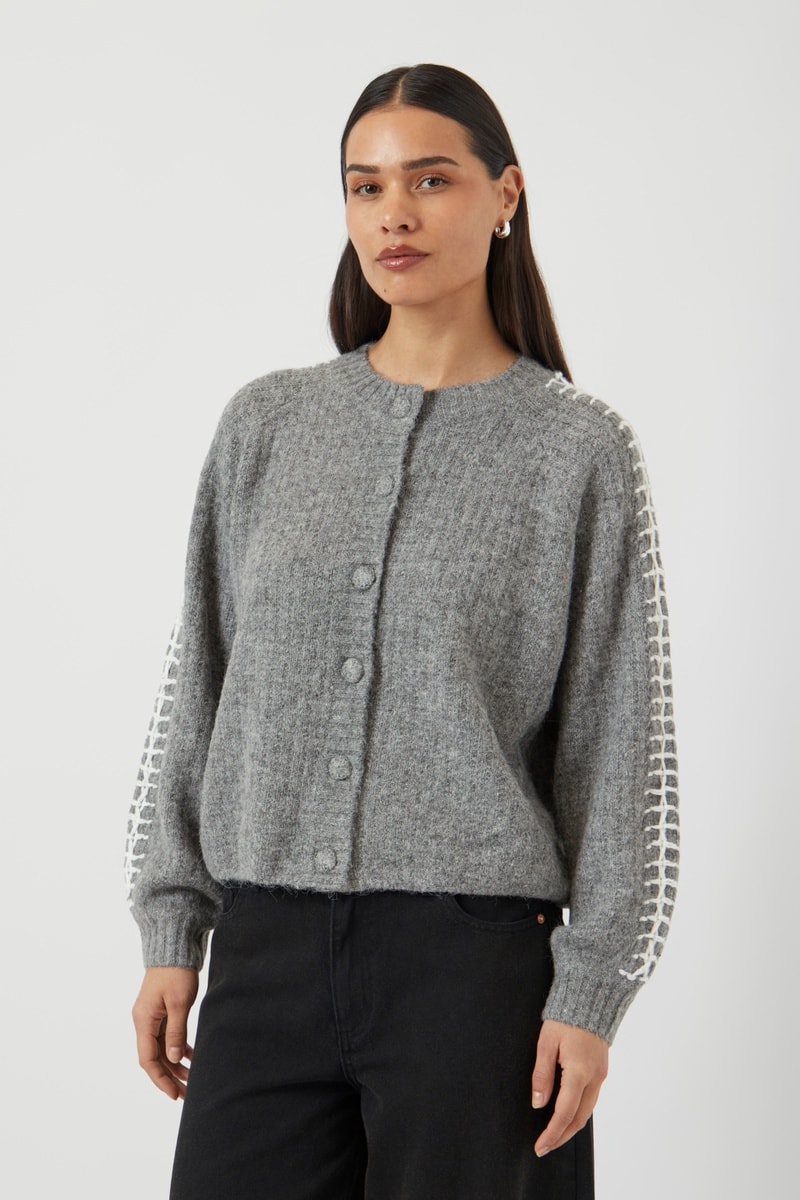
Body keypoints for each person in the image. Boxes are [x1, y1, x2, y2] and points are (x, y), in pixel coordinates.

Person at [126, 62, 679, 1200]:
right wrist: (172, 925)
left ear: (504, 194)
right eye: (364, 186)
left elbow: (619, 741)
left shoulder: (576, 451)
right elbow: (201, 687)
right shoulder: (267, 425)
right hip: (266, 953)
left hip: (474, 973)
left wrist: (590, 992)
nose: (394, 213)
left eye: (429, 180)